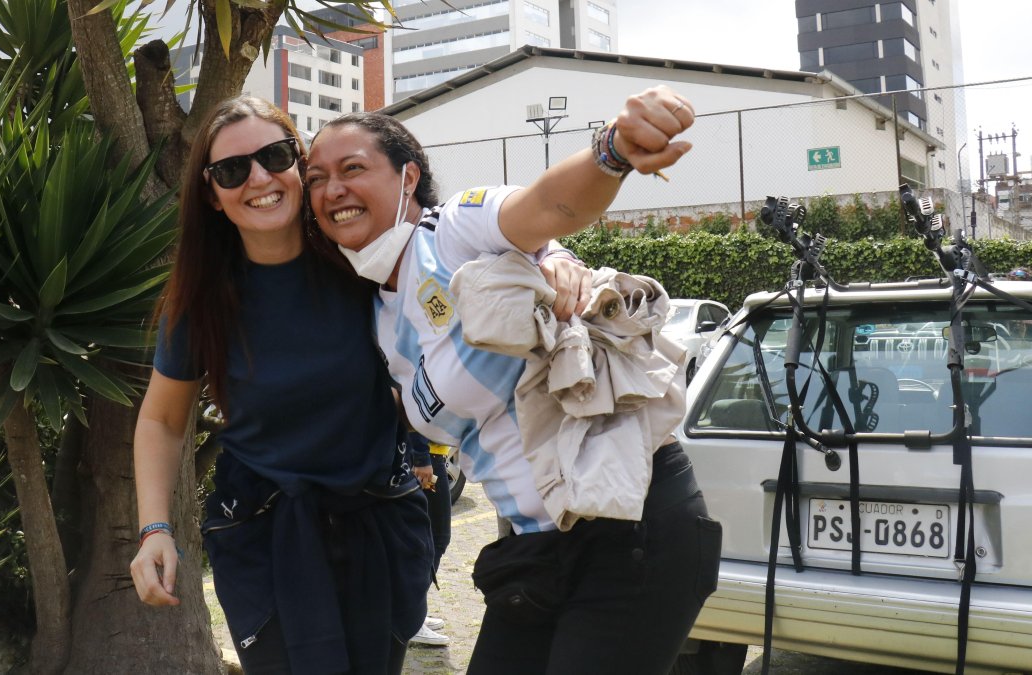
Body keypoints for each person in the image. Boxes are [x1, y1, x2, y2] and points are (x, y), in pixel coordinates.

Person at [306, 87, 721, 674]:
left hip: (633, 525)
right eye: (317, 178)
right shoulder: (379, 318)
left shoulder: (453, 232)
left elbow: (548, 206)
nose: (333, 190)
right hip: (534, 546)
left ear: (408, 178)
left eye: (353, 169)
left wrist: (613, 151)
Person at [128, 95, 435, 675]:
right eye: (231, 170)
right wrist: (154, 530)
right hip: (265, 535)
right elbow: (162, 420)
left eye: (274, 156)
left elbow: (466, 254)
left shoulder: (362, 262)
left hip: (379, 528)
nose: (259, 179)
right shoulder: (200, 302)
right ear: (211, 195)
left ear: (299, 165)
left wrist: (549, 261)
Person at [406, 431, 452, 647]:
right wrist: (421, 457)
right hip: (426, 458)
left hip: (427, 455)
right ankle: (411, 619)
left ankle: (414, 613)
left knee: (429, 538)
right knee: (435, 538)